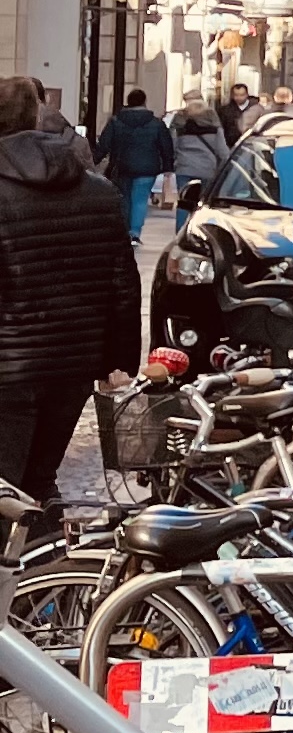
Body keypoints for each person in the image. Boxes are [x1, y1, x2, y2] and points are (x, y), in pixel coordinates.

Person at [0, 75, 141, 502]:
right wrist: (119, 359)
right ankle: (44, 564)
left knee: (4, 485)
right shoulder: (98, 192)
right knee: (40, 479)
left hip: (8, 367)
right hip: (74, 363)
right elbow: (122, 281)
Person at [96, 87, 174, 240]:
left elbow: (104, 144)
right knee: (140, 199)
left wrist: (93, 161)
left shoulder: (116, 121)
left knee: (124, 198)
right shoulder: (156, 123)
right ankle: (135, 232)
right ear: (144, 102)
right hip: (147, 168)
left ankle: (125, 230)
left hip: (121, 167)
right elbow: (166, 146)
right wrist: (168, 167)